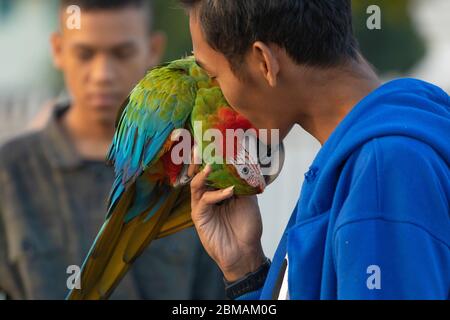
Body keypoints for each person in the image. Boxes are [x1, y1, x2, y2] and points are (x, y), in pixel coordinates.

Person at [182, 0, 450, 299]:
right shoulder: (365, 156)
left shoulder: (381, 171)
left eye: (214, 77)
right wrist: (247, 273)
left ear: (264, 63)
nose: (217, 96)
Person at [0, 0, 224, 299]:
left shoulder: (199, 159)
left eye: (122, 53)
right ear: (57, 50)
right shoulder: (9, 171)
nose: (103, 74)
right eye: (85, 53)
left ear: (154, 49)